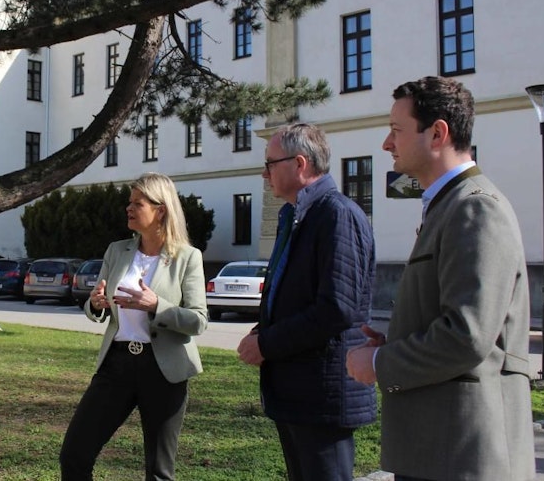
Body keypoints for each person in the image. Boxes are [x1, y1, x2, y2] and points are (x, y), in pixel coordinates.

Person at [345, 76, 535, 480]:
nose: (387, 143)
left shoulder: (475, 209)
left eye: (396, 130)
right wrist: (397, 339)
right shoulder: (449, 206)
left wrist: (380, 361)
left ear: (437, 133)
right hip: (440, 450)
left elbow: (466, 335)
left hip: (462, 455)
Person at [236, 123, 377, 481]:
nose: (264, 173)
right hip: (298, 390)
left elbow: (337, 308)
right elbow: (294, 293)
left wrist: (266, 344)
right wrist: (262, 328)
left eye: (270, 163)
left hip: (323, 394)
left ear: (299, 164)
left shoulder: (336, 215)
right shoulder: (298, 215)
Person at [59, 172, 208, 481]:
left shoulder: (188, 257)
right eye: (129, 202)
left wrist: (156, 305)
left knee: (158, 471)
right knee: (74, 453)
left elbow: (198, 320)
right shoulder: (117, 251)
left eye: (137, 203)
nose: (128, 208)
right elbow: (98, 304)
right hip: (117, 365)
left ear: (161, 209)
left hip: (164, 370)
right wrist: (97, 304)